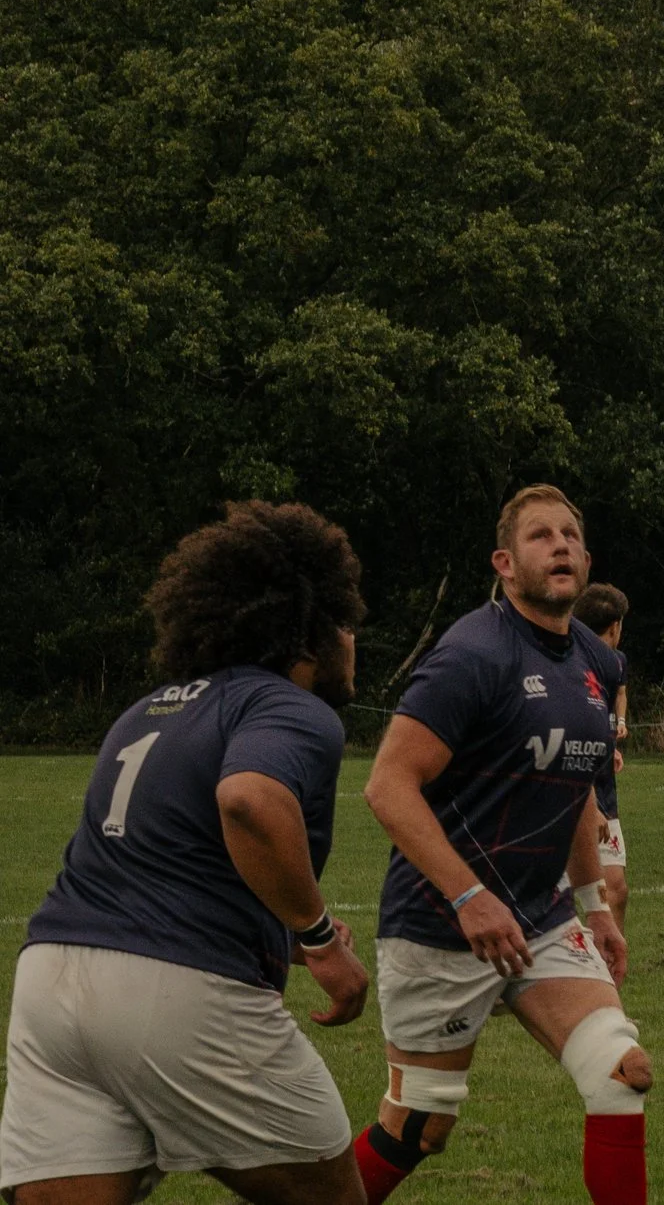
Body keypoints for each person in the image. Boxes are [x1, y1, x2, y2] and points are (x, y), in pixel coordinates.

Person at [1, 502, 370, 1205]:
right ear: (308, 632)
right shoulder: (293, 707)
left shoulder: (150, 708)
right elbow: (249, 800)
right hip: (179, 986)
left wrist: (282, 930)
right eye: (346, 623)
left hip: (51, 978)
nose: (354, 641)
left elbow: (163, 854)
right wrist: (320, 939)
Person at [355, 485, 650, 1205]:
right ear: (505, 562)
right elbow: (388, 786)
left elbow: (576, 783)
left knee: (623, 1075)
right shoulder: (470, 655)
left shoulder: (596, 662)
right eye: (541, 535)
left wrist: (593, 904)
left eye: (572, 535)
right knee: (419, 1124)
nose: (561, 546)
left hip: (542, 916)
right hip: (441, 922)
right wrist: (468, 896)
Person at [574, 583, 633, 921]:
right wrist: (587, 798)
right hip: (576, 793)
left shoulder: (611, 665)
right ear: (615, 627)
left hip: (603, 789)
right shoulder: (569, 665)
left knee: (616, 887)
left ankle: (609, 967)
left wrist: (608, 748)